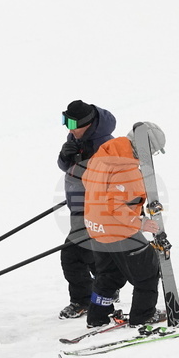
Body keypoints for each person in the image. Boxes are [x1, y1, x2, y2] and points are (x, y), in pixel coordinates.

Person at [81, 122, 166, 328]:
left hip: (96, 227)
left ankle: (97, 317)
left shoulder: (104, 154)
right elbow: (115, 205)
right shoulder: (127, 168)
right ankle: (143, 315)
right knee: (147, 270)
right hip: (117, 230)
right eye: (152, 152)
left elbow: (86, 180)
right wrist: (140, 222)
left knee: (109, 275)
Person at [56, 100, 116, 319]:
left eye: (72, 123)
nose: (68, 128)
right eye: (65, 121)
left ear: (87, 123)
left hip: (95, 209)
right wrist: (65, 157)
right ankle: (105, 291)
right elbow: (66, 167)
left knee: (72, 256)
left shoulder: (105, 145)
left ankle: (86, 299)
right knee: (91, 255)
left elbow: (113, 180)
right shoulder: (75, 137)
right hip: (78, 205)